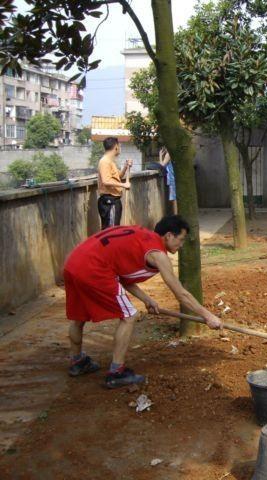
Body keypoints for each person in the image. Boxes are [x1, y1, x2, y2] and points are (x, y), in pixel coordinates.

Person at [63, 215, 222, 389]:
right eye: (181, 239)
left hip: (73, 263)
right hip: (94, 269)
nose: (182, 245)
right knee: (129, 315)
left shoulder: (141, 236)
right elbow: (181, 294)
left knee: (79, 317)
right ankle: (116, 373)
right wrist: (208, 316)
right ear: (169, 235)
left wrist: (147, 299)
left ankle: (77, 362)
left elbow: (122, 276)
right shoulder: (157, 254)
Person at [97, 137, 132, 230]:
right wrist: (123, 185)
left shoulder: (111, 161)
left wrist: (126, 167)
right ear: (116, 147)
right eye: (119, 145)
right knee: (110, 230)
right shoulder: (104, 161)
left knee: (114, 229)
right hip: (109, 201)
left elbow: (118, 177)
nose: (120, 148)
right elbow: (106, 181)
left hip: (114, 200)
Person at [159, 146, 178, 214]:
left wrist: (160, 156)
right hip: (175, 177)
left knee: (174, 199)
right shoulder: (175, 153)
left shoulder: (168, 154)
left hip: (172, 178)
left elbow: (162, 165)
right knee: (175, 198)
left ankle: (176, 215)